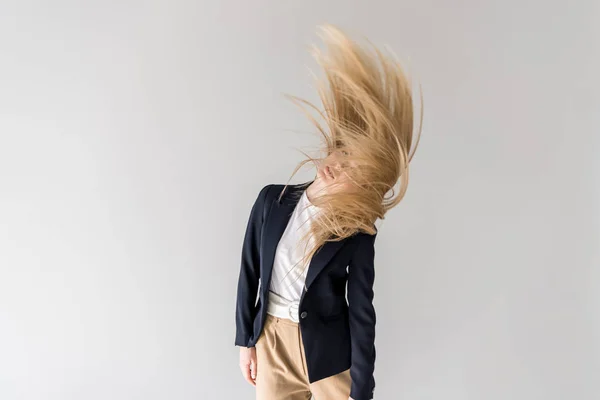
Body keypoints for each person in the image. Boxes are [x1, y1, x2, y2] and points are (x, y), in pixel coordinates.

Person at [234, 24, 421, 400]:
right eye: (343, 152)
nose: (338, 164)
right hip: (272, 345)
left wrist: (361, 389)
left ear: (363, 187)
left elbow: (362, 313)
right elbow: (249, 270)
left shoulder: (357, 233)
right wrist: (245, 341)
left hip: (329, 359)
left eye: (354, 169)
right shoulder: (272, 201)